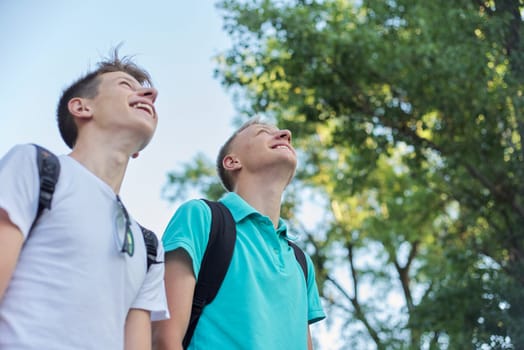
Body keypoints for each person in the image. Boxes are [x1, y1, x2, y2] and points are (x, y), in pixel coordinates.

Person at [0, 50, 169, 349]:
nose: (150, 94)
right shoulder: (34, 167)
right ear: (81, 107)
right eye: (125, 86)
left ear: (137, 151)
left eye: (147, 93)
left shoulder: (150, 247)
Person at [153, 117, 325, 350]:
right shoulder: (201, 218)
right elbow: (164, 339)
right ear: (232, 161)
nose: (285, 134)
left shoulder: (301, 262)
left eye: (283, 133)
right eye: (263, 132)